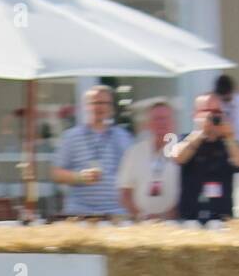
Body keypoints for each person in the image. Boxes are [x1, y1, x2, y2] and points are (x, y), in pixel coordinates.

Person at [51, 85, 134, 217]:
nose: (100, 107)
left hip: (115, 212)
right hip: (79, 212)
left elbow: (133, 176)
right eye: (95, 103)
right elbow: (56, 174)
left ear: (111, 108)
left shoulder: (123, 137)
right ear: (86, 106)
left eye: (104, 103)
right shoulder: (71, 136)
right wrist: (79, 177)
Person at [175, 93, 239, 223]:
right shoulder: (185, 139)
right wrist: (200, 133)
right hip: (191, 219)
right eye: (207, 111)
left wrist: (229, 136)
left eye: (217, 112)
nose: (213, 116)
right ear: (195, 115)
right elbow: (178, 157)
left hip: (222, 219)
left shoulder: (228, 143)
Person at [118, 99, 179, 221]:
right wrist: (141, 216)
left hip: (175, 225)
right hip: (140, 225)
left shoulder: (183, 151)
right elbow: (125, 192)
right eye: (156, 119)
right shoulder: (134, 152)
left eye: (165, 118)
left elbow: (189, 193)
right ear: (148, 124)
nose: (161, 123)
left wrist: (166, 217)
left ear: (174, 123)